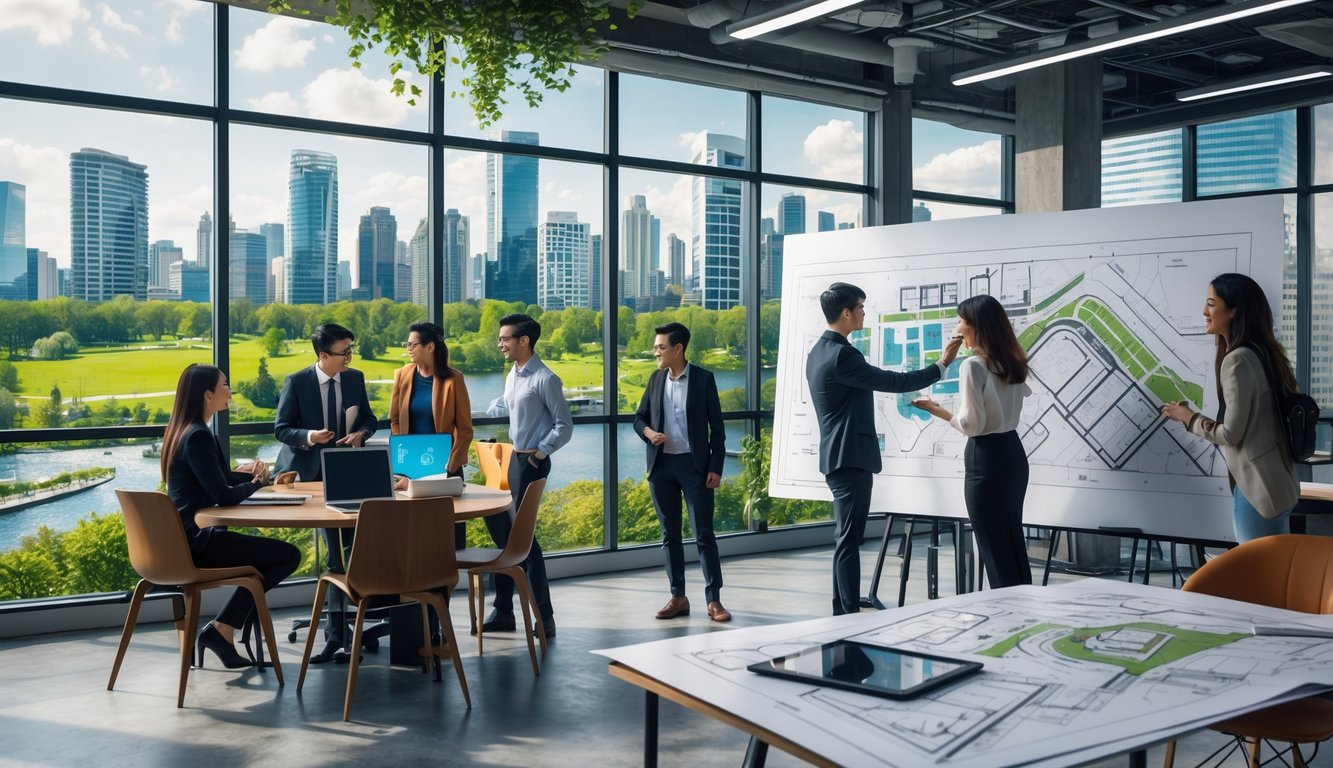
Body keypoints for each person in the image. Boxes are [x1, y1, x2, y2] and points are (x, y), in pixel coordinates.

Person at [806, 282, 961, 615]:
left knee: (845, 538)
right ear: (846, 313)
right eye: (861, 307)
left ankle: (842, 609)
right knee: (849, 540)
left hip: (838, 456)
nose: (864, 313)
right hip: (849, 458)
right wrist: (942, 365)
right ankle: (848, 614)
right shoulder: (844, 355)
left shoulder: (819, 351)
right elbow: (895, 382)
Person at [162, 363, 300, 669]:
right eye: (225, 385)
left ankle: (223, 629)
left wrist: (251, 476)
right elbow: (223, 495)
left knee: (268, 560)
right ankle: (222, 628)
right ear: (208, 394)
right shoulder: (198, 436)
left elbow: (218, 480)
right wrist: (257, 483)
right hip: (199, 545)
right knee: (288, 556)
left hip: (182, 542)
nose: (230, 391)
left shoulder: (183, 430)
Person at [1161, 273, 1299, 542]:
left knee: (1255, 567)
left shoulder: (1237, 360)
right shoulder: (1264, 353)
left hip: (1256, 492)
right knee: (1274, 566)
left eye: (1211, 304)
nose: (1204, 311)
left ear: (1234, 310)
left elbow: (1230, 434)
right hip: (1279, 485)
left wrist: (1188, 417)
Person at [273, 322, 378, 663]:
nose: (349, 357)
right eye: (343, 352)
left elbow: (369, 419)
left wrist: (360, 434)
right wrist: (309, 436)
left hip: (348, 474)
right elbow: (281, 429)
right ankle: (337, 634)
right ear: (323, 355)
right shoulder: (297, 382)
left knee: (355, 550)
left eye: (350, 350)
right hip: (310, 478)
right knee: (334, 556)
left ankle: (348, 625)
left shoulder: (355, 379)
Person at [912, 295, 1033, 588]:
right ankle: (1025, 604)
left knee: (994, 547)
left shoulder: (973, 366)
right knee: (1012, 540)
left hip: (986, 458)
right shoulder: (1011, 361)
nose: (957, 328)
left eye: (961, 321)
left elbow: (972, 425)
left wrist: (936, 410)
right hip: (1013, 454)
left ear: (977, 326)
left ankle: (1008, 609)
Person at [633, 322, 731, 622]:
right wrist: (649, 433)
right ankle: (678, 597)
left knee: (704, 534)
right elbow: (638, 419)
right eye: (655, 347)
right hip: (661, 466)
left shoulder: (703, 379)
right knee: (669, 535)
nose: (655, 352)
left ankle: (714, 601)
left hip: (695, 468)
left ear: (678, 349)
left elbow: (718, 430)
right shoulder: (655, 379)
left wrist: (716, 467)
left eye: (660, 347)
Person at [483, 313, 571, 639]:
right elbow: (508, 406)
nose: (500, 344)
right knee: (503, 532)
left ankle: (544, 618)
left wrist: (540, 453)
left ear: (524, 341)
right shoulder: (514, 374)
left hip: (530, 463)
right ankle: (504, 610)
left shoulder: (545, 379)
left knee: (523, 540)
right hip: (510, 459)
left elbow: (564, 426)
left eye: (505, 338)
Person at [390, 321, 474, 549]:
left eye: (412, 344)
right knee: (412, 537)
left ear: (430, 347)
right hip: (409, 471)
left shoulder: (454, 379)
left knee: (447, 540)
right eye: (407, 344)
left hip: (445, 469)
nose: (408, 348)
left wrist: (449, 466)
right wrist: (403, 455)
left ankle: (448, 575)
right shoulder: (402, 375)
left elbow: (465, 429)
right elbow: (395, 420)